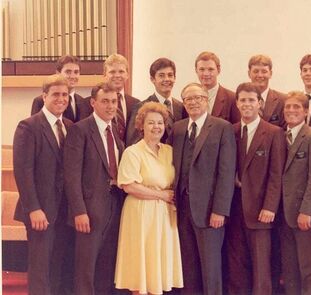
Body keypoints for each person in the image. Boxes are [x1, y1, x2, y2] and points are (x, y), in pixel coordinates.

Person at [167, 83, 236, 295]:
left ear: (206, 100)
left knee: (211, 267)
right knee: (187, 267)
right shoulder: (178, 128)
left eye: (198, 98)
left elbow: (227, 172)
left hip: (209, 210)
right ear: (184, 103)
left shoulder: (222, 127)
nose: (194, 102)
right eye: (188, 99)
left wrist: (220, 210)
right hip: (182, 209)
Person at [14, 74, 74, 295]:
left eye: (65, 95)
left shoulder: (69, 125)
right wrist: (34, 209)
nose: (61, 99)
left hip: (63, 210)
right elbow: (23, 171)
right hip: (40, 210)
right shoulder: (29, 126)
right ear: (44, 96)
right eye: (55, 94)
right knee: (40, 268)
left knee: (58, 266)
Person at [115, 102, 183, 295]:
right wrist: (161, 194)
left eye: (160, 122)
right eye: (151, 122)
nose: (156, 127)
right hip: (141, 214)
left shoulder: (169, 151)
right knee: (141, 265)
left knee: (158, 265)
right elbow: (129, 185)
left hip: (164, 215)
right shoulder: (133, 152)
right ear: (141, 126)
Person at [64, 82, 125, 295]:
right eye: (105, 101)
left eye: (114, 101)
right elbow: (71, 176)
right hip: (89, 211)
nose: (110, 106)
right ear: (93, 103)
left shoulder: (114, 131)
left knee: (106, 267)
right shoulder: (80, 130)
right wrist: (79, 212)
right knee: (85, 269)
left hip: (114, 207)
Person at [226, 82, 285, 295]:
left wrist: (270, 207)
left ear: (260, 103)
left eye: (252, 100)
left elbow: (276, 174)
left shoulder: (273, 133)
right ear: (237, 103)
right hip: (233, 210)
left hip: (261, 211)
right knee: (236, 266)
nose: (247, 104)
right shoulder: (229, 131)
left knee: (261, 267)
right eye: (243, 100)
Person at [280, 91, 311, 295]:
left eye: (296, 107)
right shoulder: (278, 135)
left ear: (306, 111)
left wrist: (307, 210)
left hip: (303, 213)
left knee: (309, 267)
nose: (291, 110)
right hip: (283, 213)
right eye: (288, 107)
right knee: (289, 267)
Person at [126, 57, 187, 146]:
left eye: (170, 75)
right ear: (152, 79)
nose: (166, 79)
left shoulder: (182, 107)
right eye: (161, 75)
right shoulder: (141, 107)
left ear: (175, 78)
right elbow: (133, 142)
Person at [79, 53, 139, 141]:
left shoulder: (136, 104)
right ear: (104, 75)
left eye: (121, 71)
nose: (117, 75)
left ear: (127, 75)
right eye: (112, 72)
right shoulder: (87, 104)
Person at [31, 55, 84, 122]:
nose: (73, 76)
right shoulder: (41, 101)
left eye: (76, 72)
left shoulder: (83, 102)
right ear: (58, 73)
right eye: (68, 72)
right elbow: (35, 127)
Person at [195, 51, 240, 123]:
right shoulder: (191, 98)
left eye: (210, 69)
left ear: (218, 70)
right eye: (202, 69)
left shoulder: (232, 98)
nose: (206, 74)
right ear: (196, 71)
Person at [248, 54, 286, 127]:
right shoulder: (240, 100)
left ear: (270, 74)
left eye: (264, 71)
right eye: (256, 71)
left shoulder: (283, 100)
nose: (260, 75)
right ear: (249, 73)